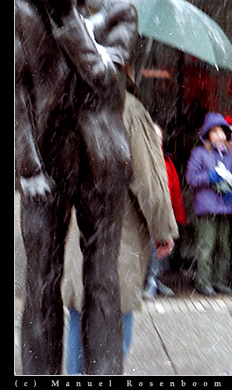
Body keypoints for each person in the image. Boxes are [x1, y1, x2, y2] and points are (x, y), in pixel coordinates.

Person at [15, 0, 138, 374]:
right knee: (40, 283)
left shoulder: (120, 11)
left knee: (102, 282)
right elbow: (17, 94)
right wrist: (26, 167)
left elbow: (104, 76)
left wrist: (67, 18)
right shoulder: (26, 12)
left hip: (100, 163)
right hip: (44, 165)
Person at [62, 91, 178, 374]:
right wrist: (163, 229)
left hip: (80, 232)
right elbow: (149, 183)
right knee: (113, 317)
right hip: (118, 234)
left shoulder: (72, 103)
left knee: (80, 313)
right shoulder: (129, 109)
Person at [185, 112, 232, 297]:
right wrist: (210, 177)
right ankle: (203, 281)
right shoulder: (200, 153)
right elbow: (191, 178)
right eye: (214, 132)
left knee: (223, 246)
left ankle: (220, 280)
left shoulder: (231, 154)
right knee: (206, 246)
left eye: (222, 132)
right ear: (207, 134)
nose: (219, 136)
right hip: (207, 207)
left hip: (225, 206)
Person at [143, 124, 186, 299]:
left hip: (162, 212)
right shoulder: (141, 159)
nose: (157, 141)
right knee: (148, 250)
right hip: (146, 212)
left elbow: (174, 191)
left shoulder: (166, 161)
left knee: (161, 251)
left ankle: (154, 279)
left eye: (159, 138)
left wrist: (176, 216)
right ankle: (148, 281)